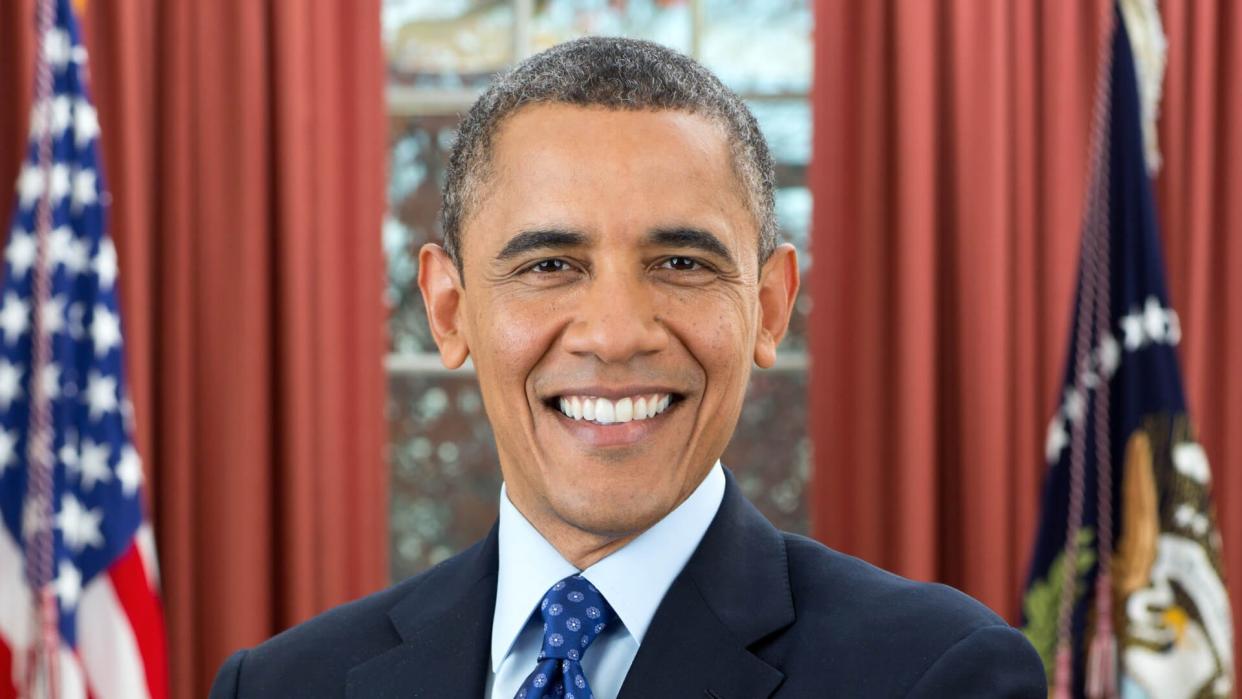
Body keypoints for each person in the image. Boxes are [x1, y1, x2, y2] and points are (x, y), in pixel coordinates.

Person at [210, 37, 1046, 698]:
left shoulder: (937, 674)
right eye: (549, 266)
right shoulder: (284, 683)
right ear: (449, 309)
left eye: (681, 263)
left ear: (770, 305)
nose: (614, 335)